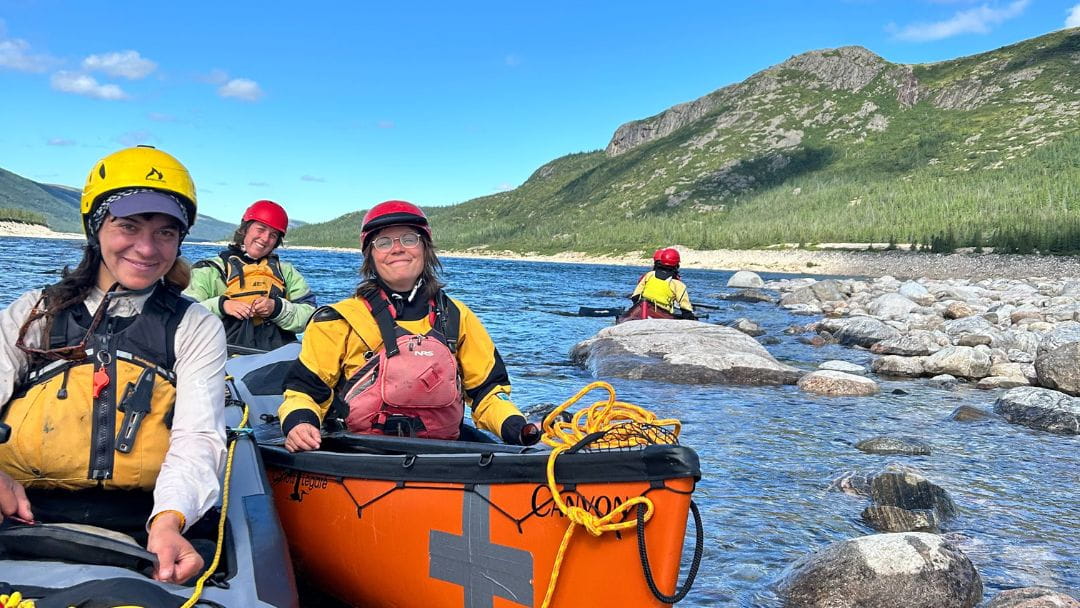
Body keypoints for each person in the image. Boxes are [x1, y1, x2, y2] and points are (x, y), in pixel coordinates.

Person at [0, 145, 227, 584]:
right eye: (128, 226)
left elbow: (198, 436)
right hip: (22, 510)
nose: (146, 248)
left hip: (144, 519)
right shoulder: (34, 312)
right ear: (95, 228)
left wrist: (168, 520)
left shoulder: (195, 325)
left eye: (166, 232)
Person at [278, 200, 540, 452]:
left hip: (443, 454)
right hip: (358, 451)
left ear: (425, 248)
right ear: (370, 256)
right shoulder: (338, 320)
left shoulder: (458, 317)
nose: (397, 248)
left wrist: (518, 427)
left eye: (409, 239)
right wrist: (300, 423)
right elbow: (305, 392)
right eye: (383, 242)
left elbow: (488, 393)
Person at [184, 200, 315, 351]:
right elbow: (184, 316)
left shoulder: (287, 273)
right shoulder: (209, 270)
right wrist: (222, 305)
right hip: (222, 354)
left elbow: (311, 316)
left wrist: (277, 309)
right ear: (245, 229)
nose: (265, 238)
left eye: (273, 235)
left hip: (275, 356)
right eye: (260, 229)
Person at [624, 247, 696, 321]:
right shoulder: (678, 284)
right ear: (677, 265)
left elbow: (635, 296)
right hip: (662, 315)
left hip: (642, 309)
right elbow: (686, 309)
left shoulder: (649, 275)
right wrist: (691, 318)